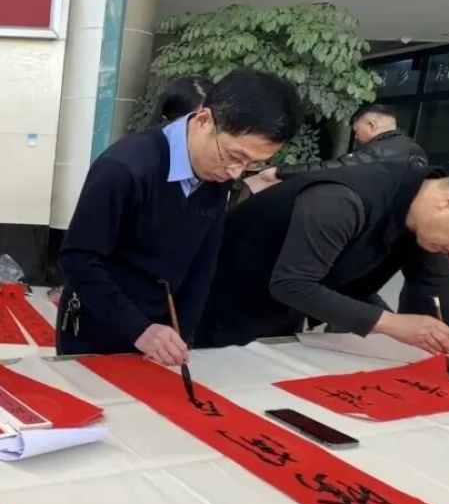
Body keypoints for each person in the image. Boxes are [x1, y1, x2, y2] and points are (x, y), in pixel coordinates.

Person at [56, 69, 302, 362]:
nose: (236, 173)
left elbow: (202, 265)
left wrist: (182, 333)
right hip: (98, 327)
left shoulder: (218, 174)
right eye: (235, 157)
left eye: (253, 164)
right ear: (204, 120)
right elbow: (78, 259)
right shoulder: (125, 168)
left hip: (162, 335)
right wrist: (139, 330)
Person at [196, 159, 449, 369]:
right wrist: (389, 323)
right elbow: (292, 284)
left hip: (279, 310)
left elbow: (437, 280)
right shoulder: (342, 200)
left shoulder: (419, 210)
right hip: (221, 299)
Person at [249, 104, 424, 190]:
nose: (356, 136)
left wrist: (280, 172)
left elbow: (334, 168)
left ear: (371, 125)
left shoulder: (379, 151)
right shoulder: (411, 149)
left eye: (356, 131)